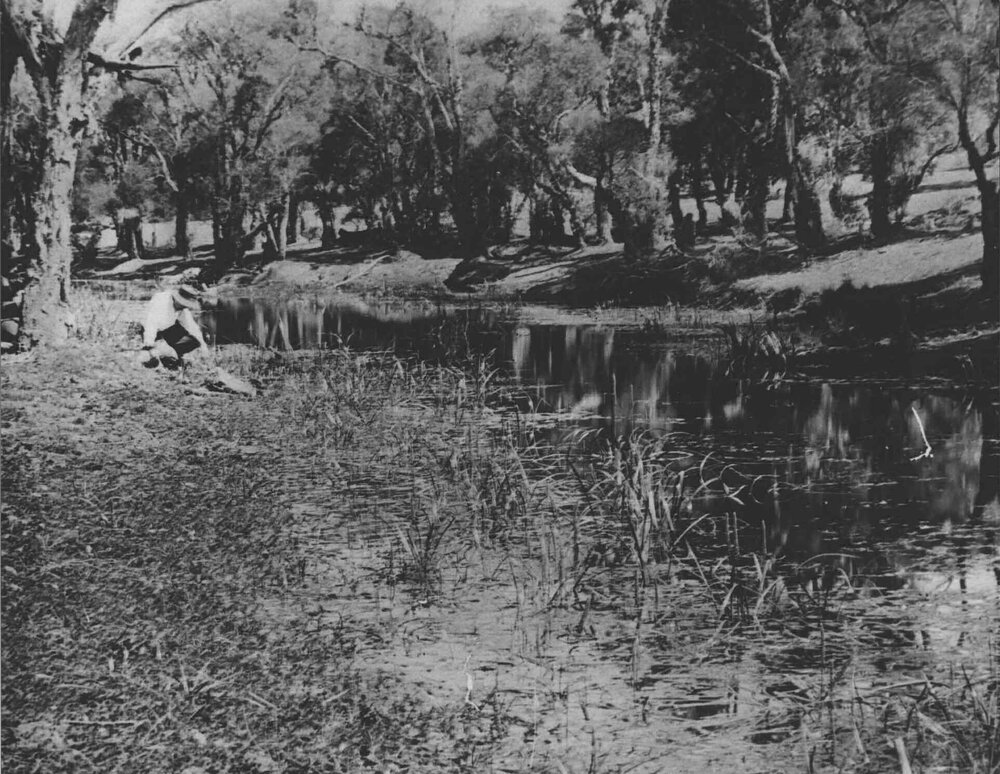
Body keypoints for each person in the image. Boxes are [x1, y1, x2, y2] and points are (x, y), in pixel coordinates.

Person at [140, 283, 209, 368]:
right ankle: (163, 356)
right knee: (156, 358)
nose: (184, 306)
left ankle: (176, 357)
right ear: (177, 299)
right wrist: (149, 343)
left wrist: (203, 344)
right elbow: (151, 323)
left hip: (168, 329)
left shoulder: (182, 308)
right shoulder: (161, 301)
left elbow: (191, 326)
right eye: (183, 304)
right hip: (151, 331)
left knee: (194, 342)